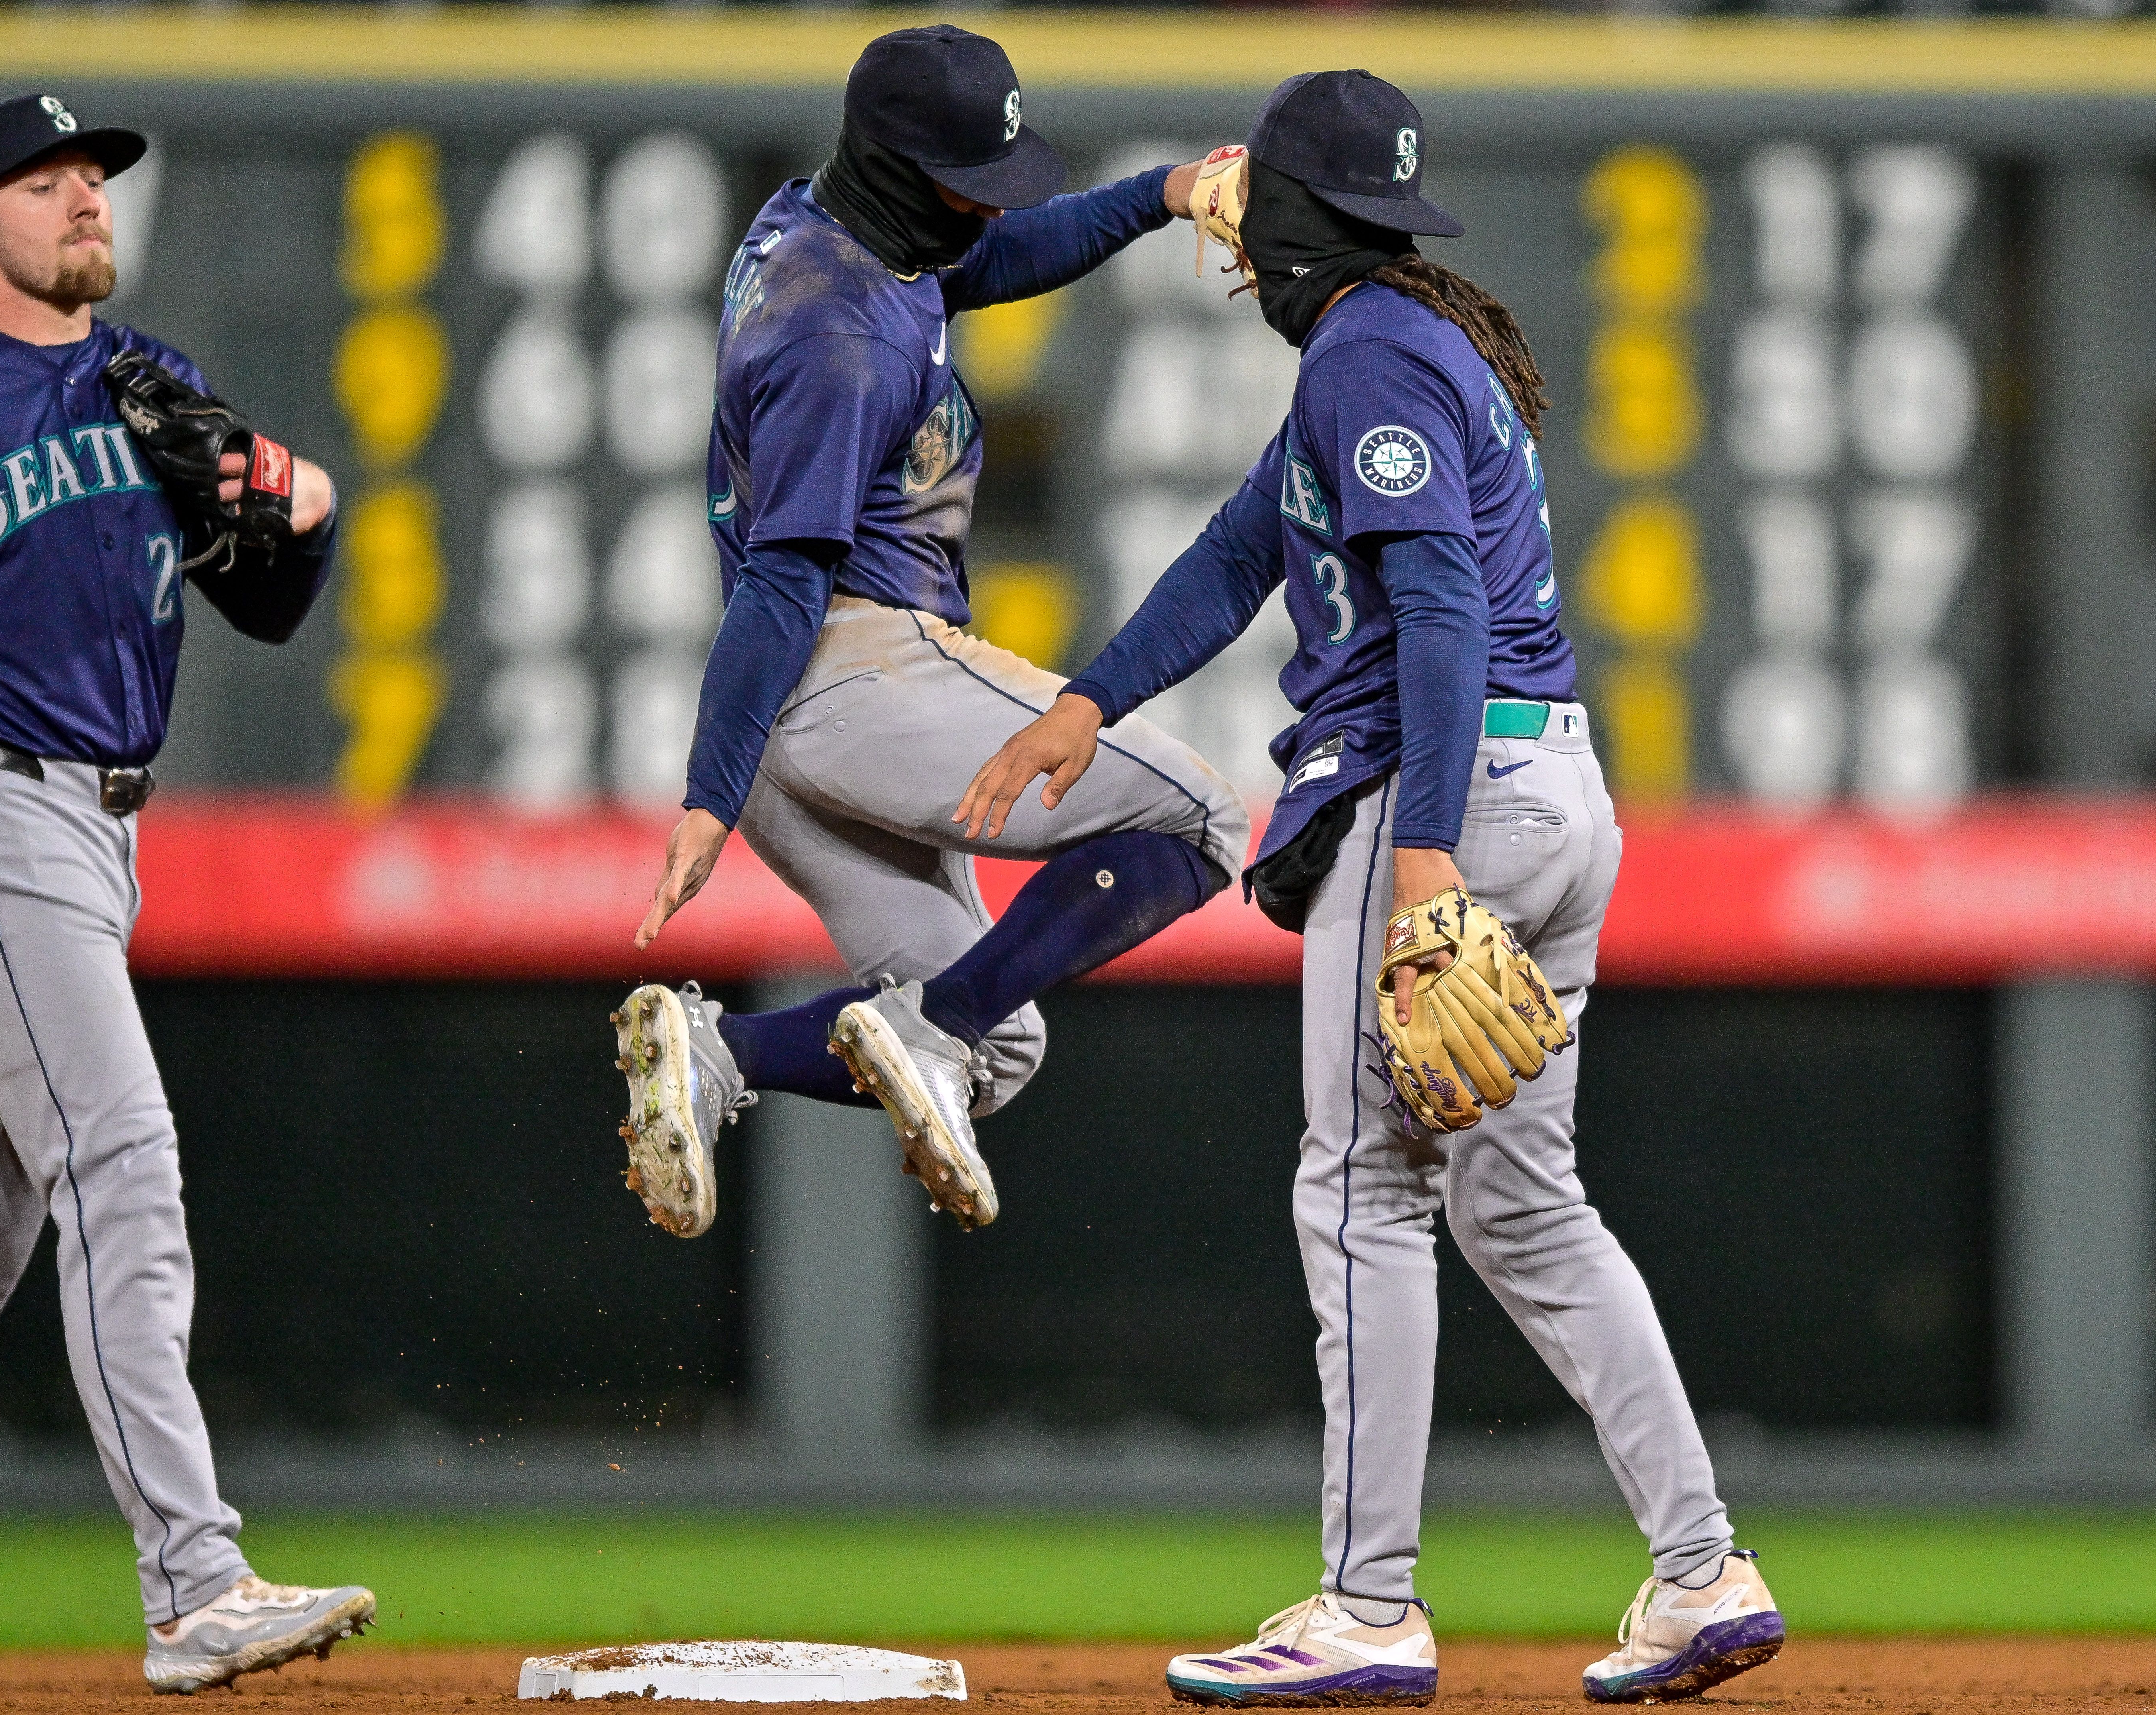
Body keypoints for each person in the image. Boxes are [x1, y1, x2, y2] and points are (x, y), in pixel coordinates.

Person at [960, 71, 1785, 1708]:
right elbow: (1239, 554)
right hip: (1560, 796)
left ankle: (1367, 1606)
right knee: (1523, 1206)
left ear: (1292, 227)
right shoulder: (1399, 342)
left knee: (1361, 1194)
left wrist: (1424, 864)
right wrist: (1090, 700)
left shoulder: (1370, 353)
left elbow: (1442, 599)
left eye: (1253, 211)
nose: (1233, 240)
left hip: (1442, 794)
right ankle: (1703, 1570)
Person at [0, 95, 372, 1695]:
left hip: (99, 834)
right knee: (122, 1162)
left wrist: (305, 511)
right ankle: (196, 1582)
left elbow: (266, 600)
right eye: (46, 183)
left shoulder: (148, 380)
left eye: (93, 177)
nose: (86, 198)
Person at [616, 25, 1248, 1238]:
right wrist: (707, 795)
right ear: (905, 174)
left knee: (993, 1041)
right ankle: (927, 1027)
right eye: (971, 181)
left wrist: (1164, 195)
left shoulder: (819, 225)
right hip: (857, 672)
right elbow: (785, 580)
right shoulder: (841, 340)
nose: (992, 204)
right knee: (1204, 818)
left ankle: (719, 1053)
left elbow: (994, 255)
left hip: (797, 728)